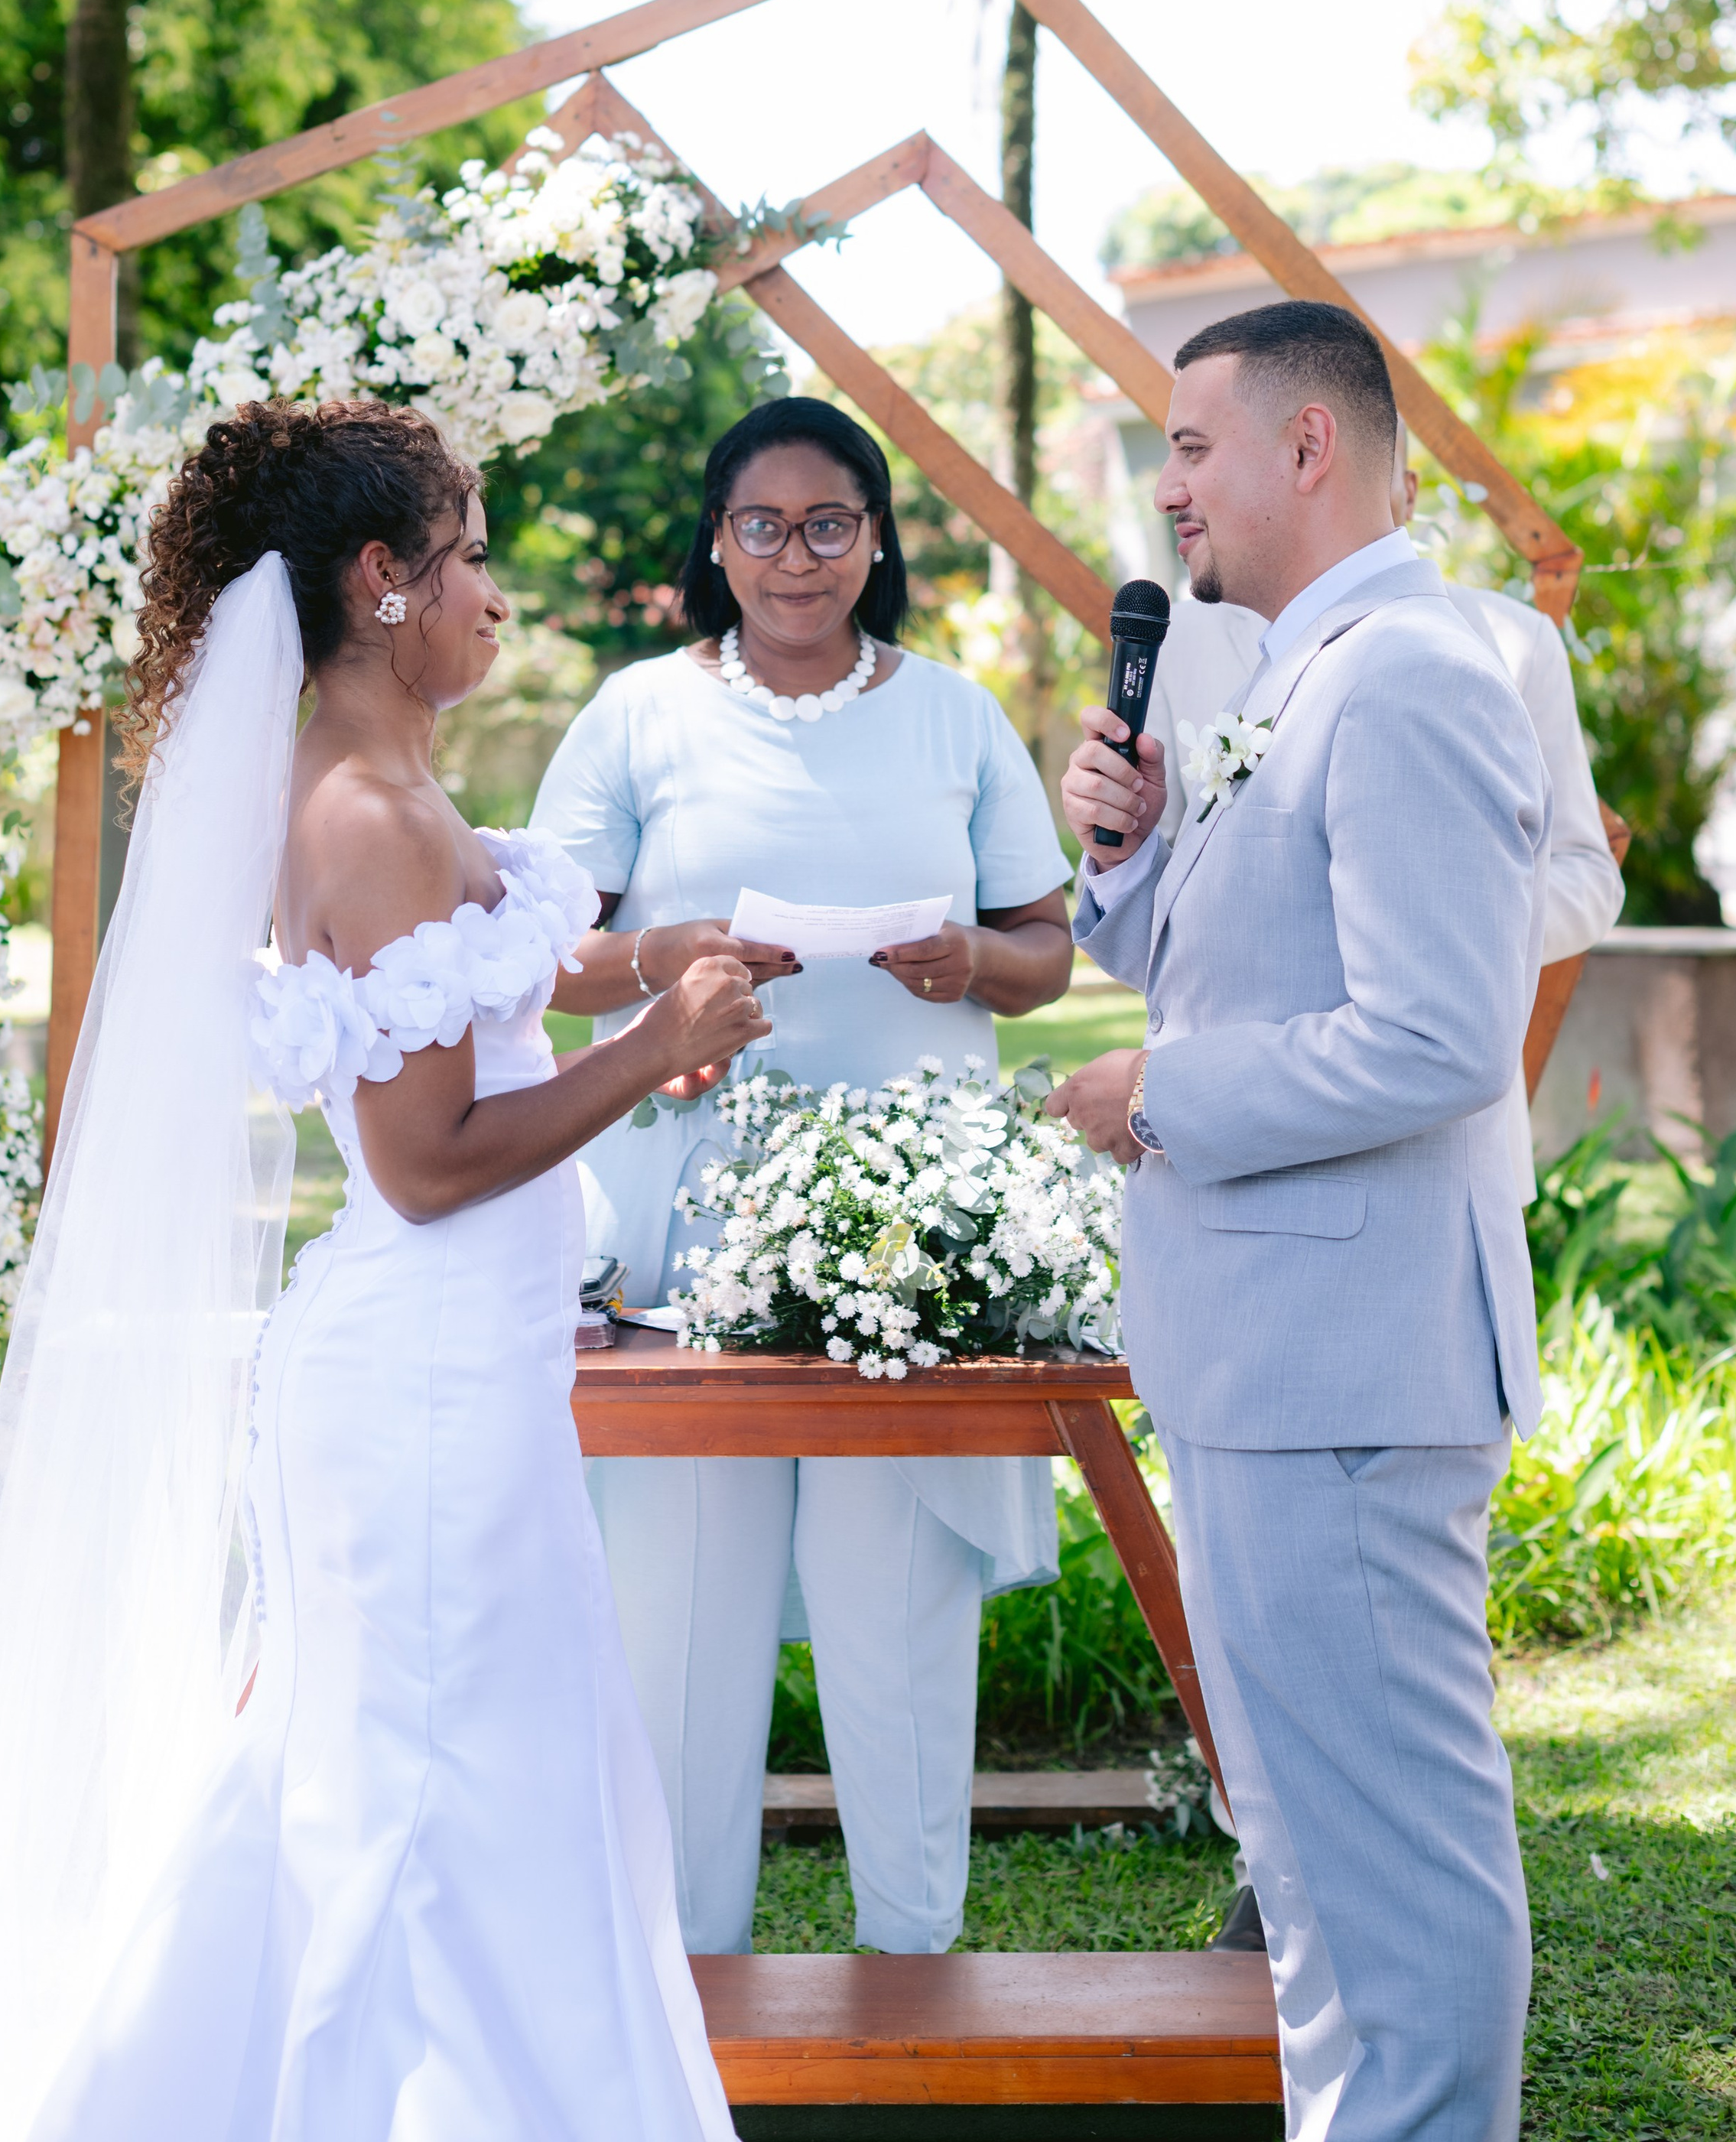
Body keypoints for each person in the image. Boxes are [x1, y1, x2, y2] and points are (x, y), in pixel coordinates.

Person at [0, 400, 766, 2142]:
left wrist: (648, 955)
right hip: (421, 1380)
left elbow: (479, 972)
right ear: (378, 577)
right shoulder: (362, 804)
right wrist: (659, 1040)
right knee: (434, 1802)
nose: (495, 590)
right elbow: (422, 1166)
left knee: (382, 1775)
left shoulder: (372, 773)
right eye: (470, 551)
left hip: (440, 1369)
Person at [1046, 302, 1550, 2142]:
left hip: (1344, 1368)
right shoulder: (1281, 670)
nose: (1165, 484)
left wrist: (1153, 1094)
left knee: (1392, 1877)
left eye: (1189, 445)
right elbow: (1248, 953)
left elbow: (1432, 1031)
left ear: (1305, 447)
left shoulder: (1405, 669)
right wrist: (1131, 858)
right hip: (1269, 1358)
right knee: (1316, 1874)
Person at [532, 395, 1073, 1959]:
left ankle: (916, 1969)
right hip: (686, 1232)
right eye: (760, 525)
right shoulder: (638, 713)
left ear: (877, 536)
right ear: (715, 542)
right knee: (680, 1631)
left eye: (828, 521)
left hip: (909, 1242)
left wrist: (977, 955)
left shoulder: (956, 717)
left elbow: (1044, 948)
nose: (794, 556)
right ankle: (685, 1989)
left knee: (891, 1620)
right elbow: (546, 959)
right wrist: (660, 974)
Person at [1143, 430, 1624, 1202]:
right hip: (1222, 1106)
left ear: (1405, 490)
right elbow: (1169, 891)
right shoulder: (1181, 635)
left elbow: (1588, 875)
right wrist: (1120, 854)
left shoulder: (1510, 641)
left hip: (1438, 1139)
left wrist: (1427, 921)